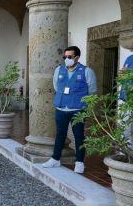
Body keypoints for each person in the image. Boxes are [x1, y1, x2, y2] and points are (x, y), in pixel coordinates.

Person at [42, 46, 97, 174]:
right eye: (65, 57)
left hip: (78, 109)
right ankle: (55, 159)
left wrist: (86, 107)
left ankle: (79, 162)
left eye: (69, 57)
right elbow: (56, 86)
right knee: (60, 134)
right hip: (61, 108)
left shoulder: (86, 71)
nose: (66, 59)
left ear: (77, 57)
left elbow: (92, 91)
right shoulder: (59, 70)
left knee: (79, 136)